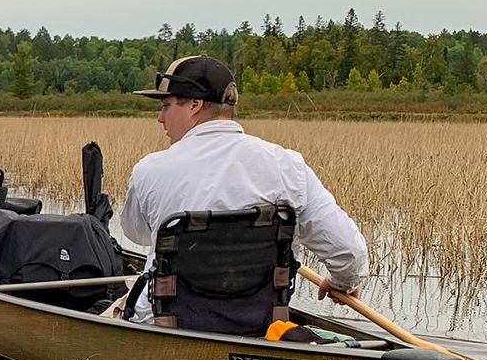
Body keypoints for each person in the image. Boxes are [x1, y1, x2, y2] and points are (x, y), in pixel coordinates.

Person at [119, 55, 368, 324]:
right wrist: (342, 282)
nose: (160, 118)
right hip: (260, 327)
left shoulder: (150, 170)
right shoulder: (289, 166)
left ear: (194, 104)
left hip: (164, 325)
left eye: (166, 106)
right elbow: (349, 253)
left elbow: (137, 234)